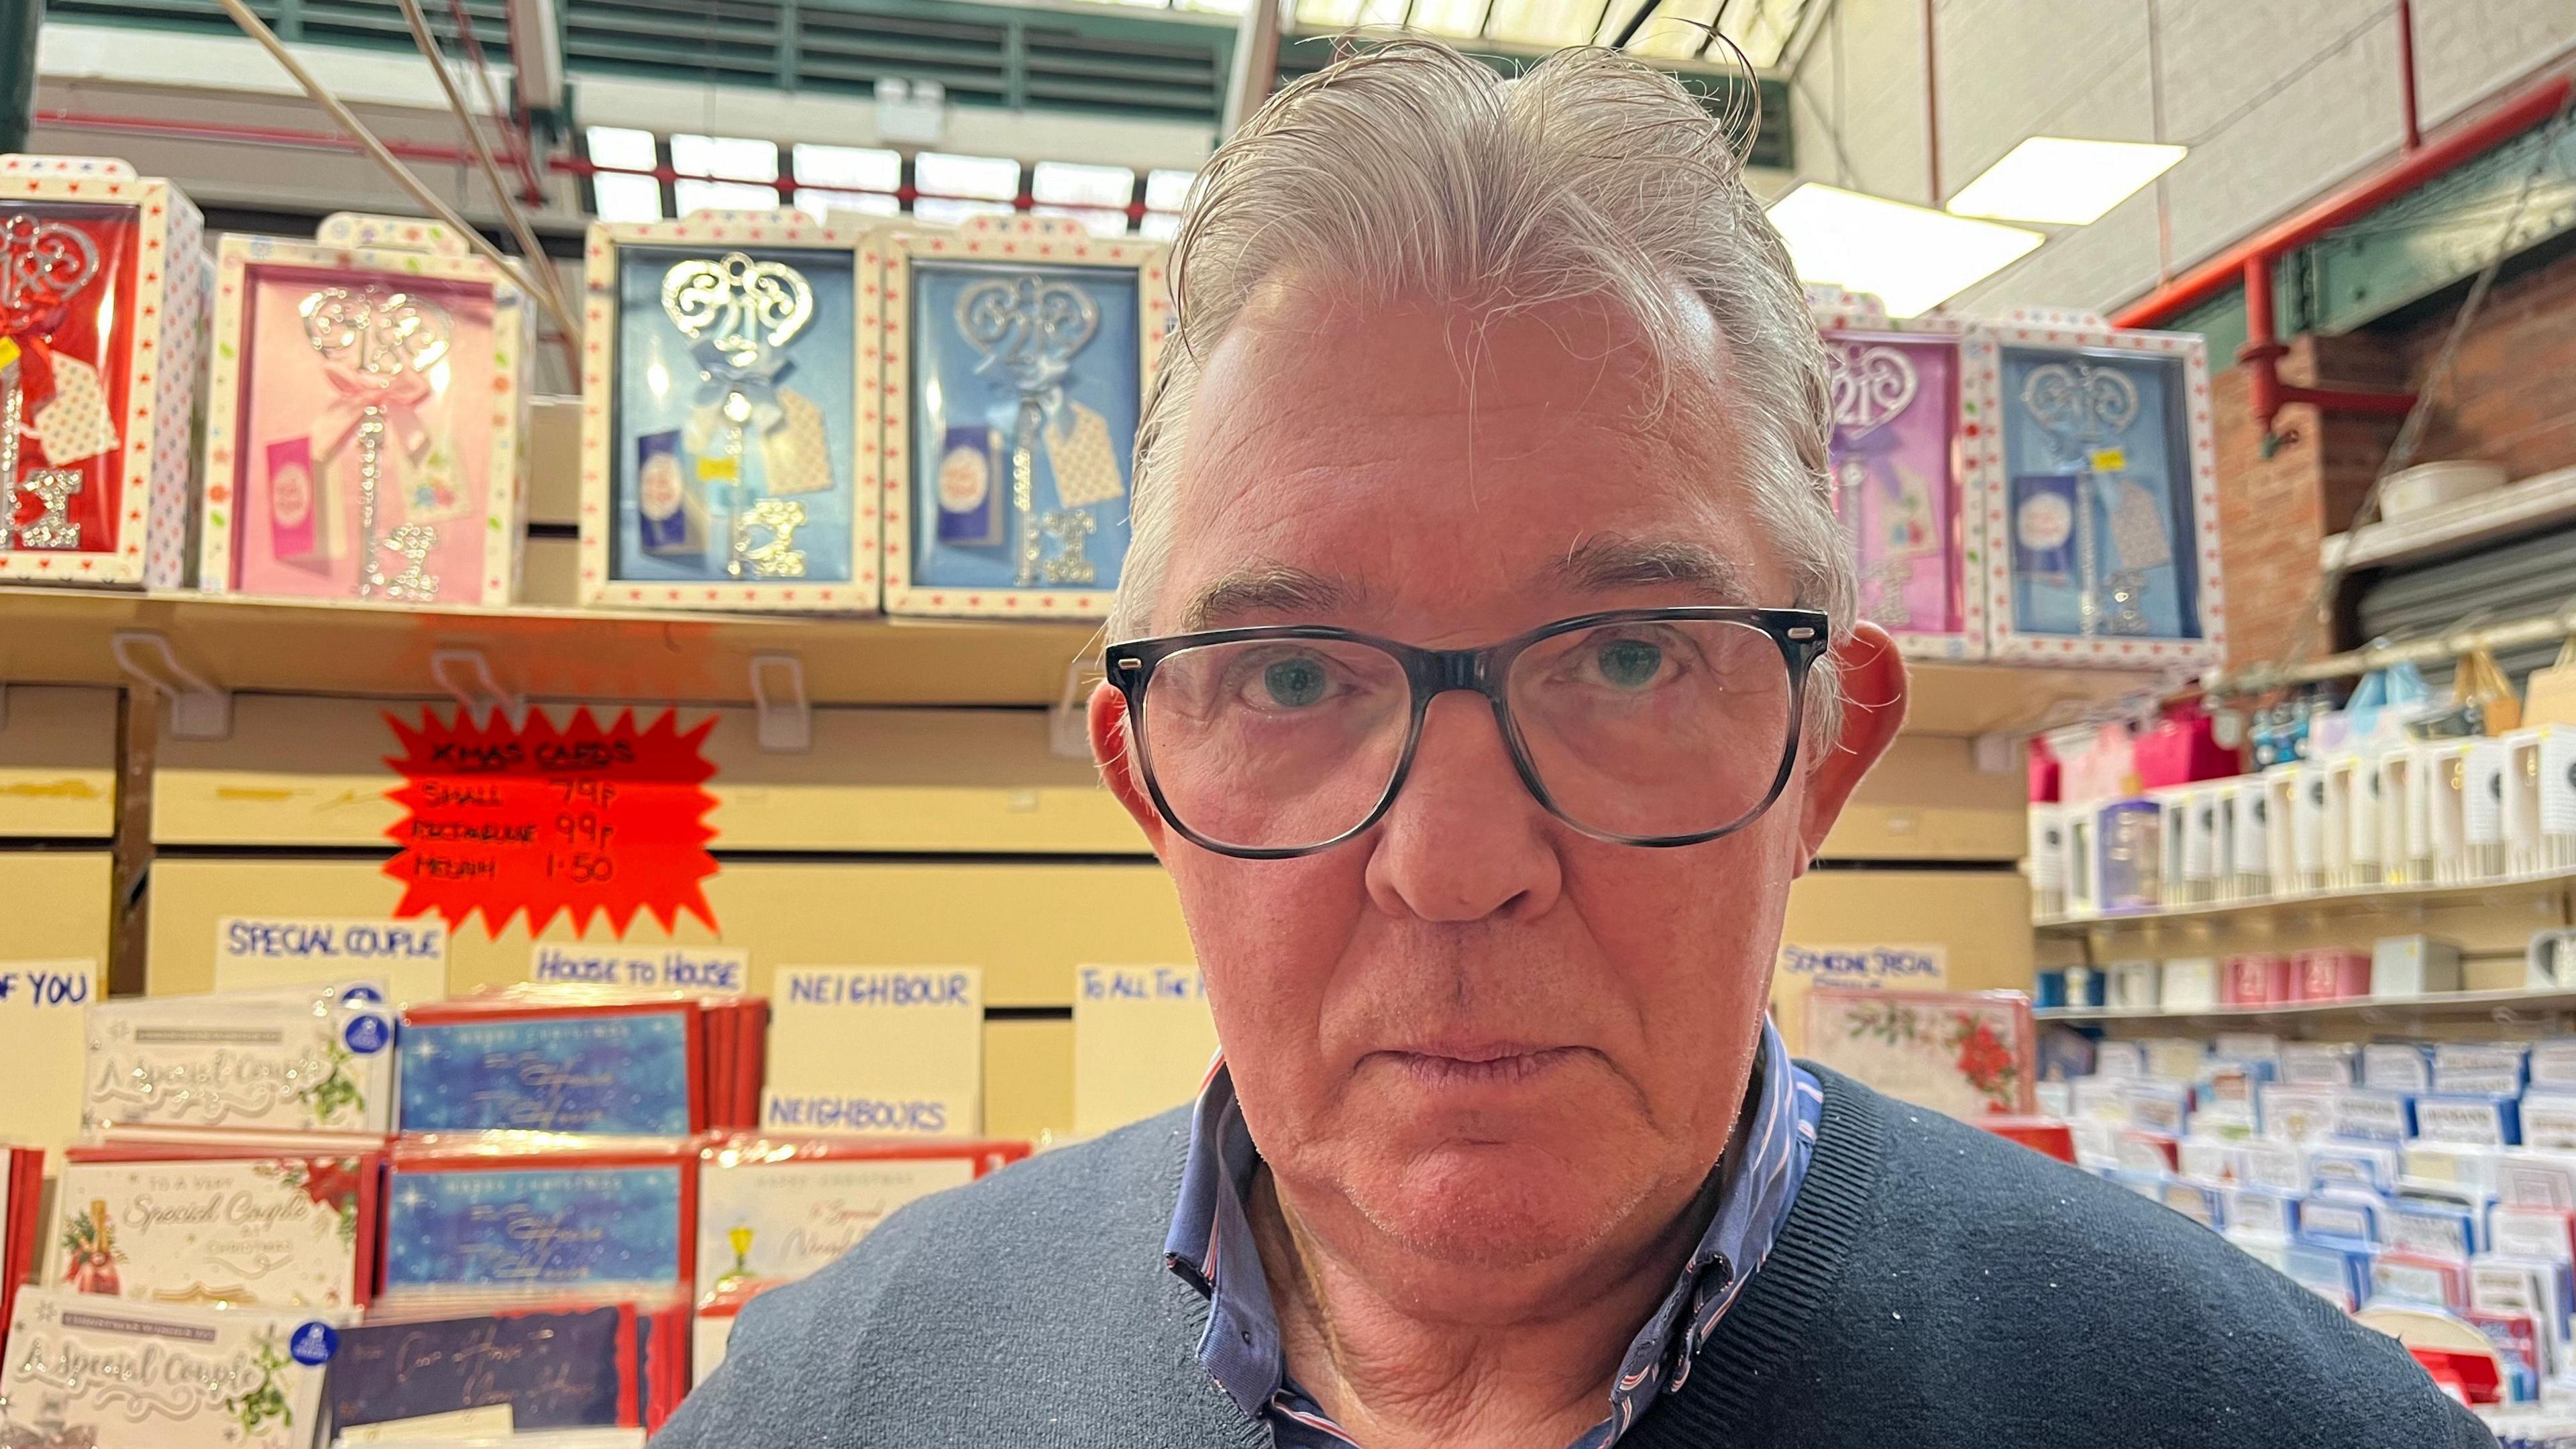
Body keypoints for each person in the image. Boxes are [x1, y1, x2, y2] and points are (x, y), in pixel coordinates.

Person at [656, 40, 2489, 1449]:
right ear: (1151, 780)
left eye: (1625, 657)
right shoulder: (822, 1408)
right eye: (1293, 678)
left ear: (1825, 753)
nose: (1456, 864)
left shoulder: (2265, 1420)